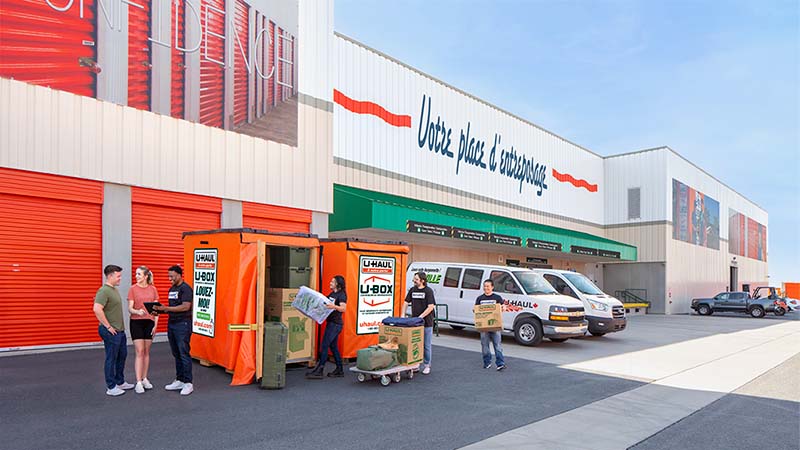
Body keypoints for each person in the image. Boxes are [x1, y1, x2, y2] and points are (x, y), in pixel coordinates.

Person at [93, 264, 134, 396]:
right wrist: (108, 326)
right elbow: (97, 309)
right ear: (110, 276)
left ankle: (120, 381)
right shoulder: (103, 291)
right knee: (111, 358)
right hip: (111, 331)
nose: (120, 279)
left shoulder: (113, 290)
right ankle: (111, 387)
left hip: (119, 331)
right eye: (118, 276)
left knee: (122, 356)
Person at [153, 265, 194, 396]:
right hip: (172, 324)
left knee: (184, 353)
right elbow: (172, 307)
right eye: (168, 276)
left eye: (172, 276)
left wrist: (166, 308)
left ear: (179, 275)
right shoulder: (172, 289)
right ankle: (180, 379)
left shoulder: (186, 289)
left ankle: (188, 383)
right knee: (176, 353)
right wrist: (160, 310)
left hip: (183, 324)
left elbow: (185, 307)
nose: (169, 278)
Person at [306, 275, 347, 379]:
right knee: (333, 347)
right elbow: (326, 303)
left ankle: (320, 370)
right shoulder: (333, 294)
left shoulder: (341, 295)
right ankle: (339, 370)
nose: (330, 283)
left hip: (335, 324)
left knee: (324, 346)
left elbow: (343, 308)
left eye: (332, 282)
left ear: (337, 284)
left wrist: (333, 307)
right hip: (331, 323)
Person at [127, 265, 159, 394]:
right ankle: (138, 382)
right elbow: (130, 308)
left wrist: (155, 325)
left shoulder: (153, 289)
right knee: (139, 351)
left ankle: (145, 378)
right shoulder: (133, 289)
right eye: (136, 274)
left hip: (149, 322)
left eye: (139, 274)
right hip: (136, 322)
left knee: (146, 351)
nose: (136, 276)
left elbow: (156, 310)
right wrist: (136, 311)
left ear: (146, 276)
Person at [405, 271, 435, 374]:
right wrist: (402, 315)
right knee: (415, 344)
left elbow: (431, 307)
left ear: (422, 280)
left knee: (426, 345)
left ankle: (427, 365)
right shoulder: (412, 290)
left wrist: (420, 317)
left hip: (426, 323)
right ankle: (416, 364)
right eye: (414, 279)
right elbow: (405, 302)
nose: (414, 281)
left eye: (416, 279)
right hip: (415, 323)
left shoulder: (428, 291)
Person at [475, 279, 505, 371]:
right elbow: (476, 309)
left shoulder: (497, 297)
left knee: (497, 345)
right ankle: (487, 362)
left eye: (488, 286)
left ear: (492, 287)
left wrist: (502, 308)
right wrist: (475, 311)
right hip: (484, 327)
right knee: (484, 345)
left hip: (495, 326)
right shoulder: (480, 298)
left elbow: (503, 307)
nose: (486, 288)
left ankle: (500, 363)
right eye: (484, 286)